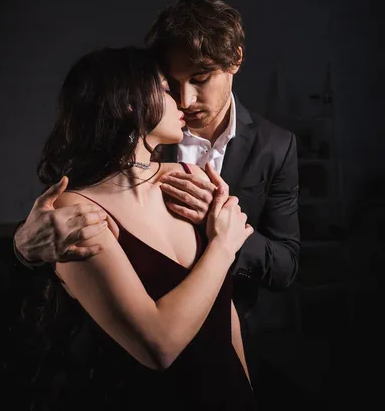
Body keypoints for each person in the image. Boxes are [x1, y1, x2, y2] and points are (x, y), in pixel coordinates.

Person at [13, 0, 300, 370]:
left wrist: (226, 234)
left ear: (236, 61)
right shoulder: (140, 136)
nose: (185, 100)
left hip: (231, 340)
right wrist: (23, 246)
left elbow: (285, 266)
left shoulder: (276, 147)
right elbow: (62, 221)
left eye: (200, 79)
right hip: (121, 355)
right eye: (171, 84)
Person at [22, 45, 255, 410]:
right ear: (129, 103)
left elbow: (223, 309)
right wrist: (223, 246)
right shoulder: (75, 211)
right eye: (165, 88)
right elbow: (158, 346)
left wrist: (246, 390)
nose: (181, 100)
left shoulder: (188, 179)